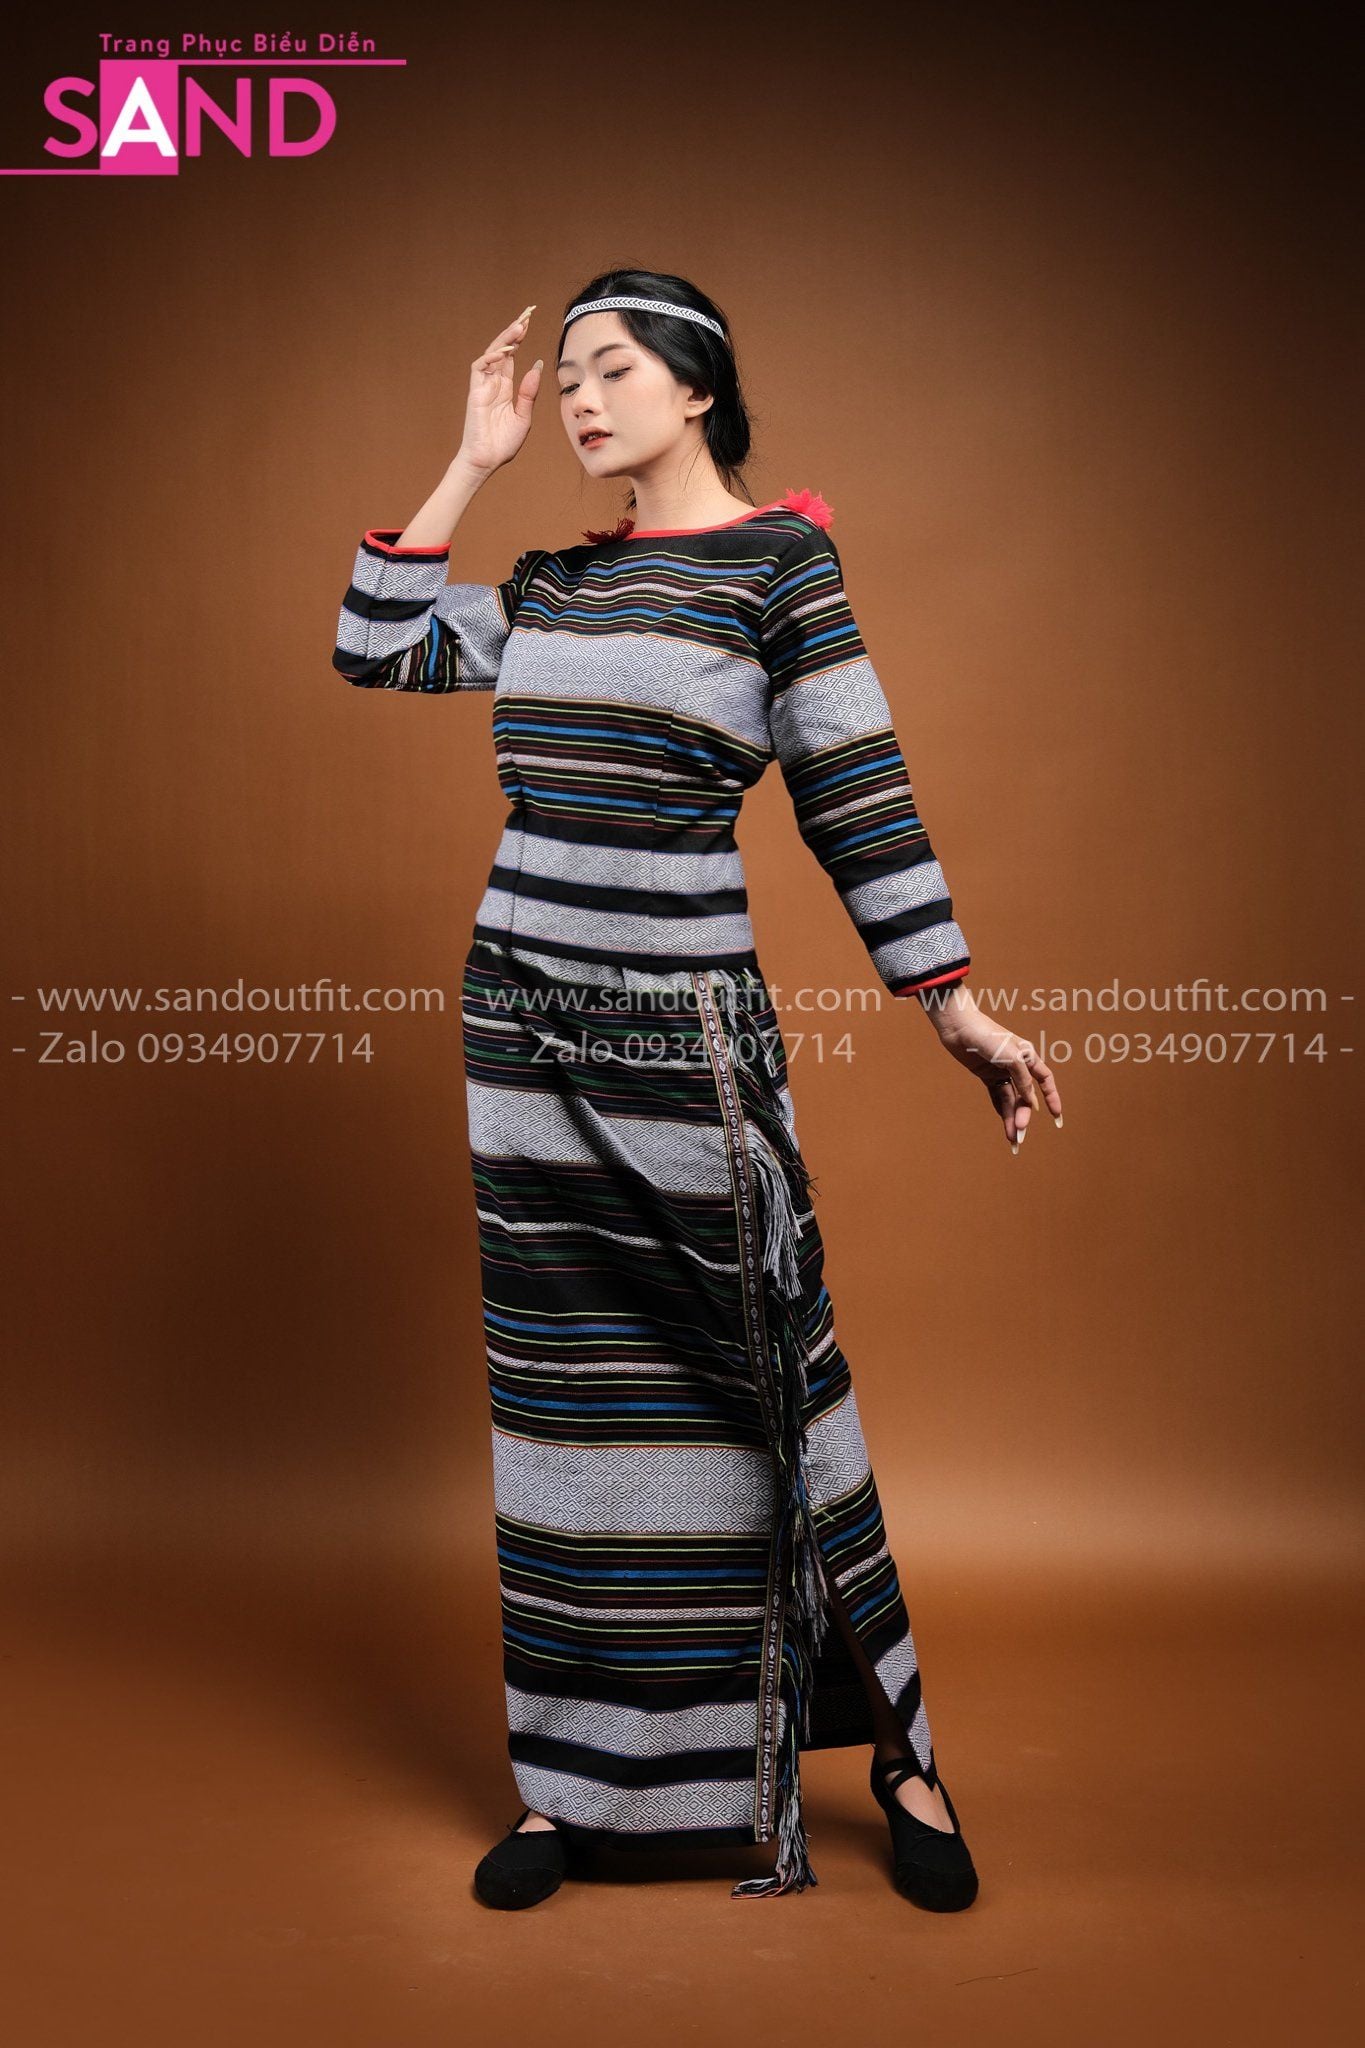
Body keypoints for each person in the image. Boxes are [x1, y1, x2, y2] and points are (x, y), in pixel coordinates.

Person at [332, 268, 1061, 1912]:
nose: (580, 401)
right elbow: (370, 649)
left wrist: (947, 1001)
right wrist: (467, 461)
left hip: (684, 1039)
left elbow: (858, 789)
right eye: (566, 377)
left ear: (697, 386)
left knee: (766, 1373)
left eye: (610, 368)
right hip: (519, 1030)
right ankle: (570, 1789)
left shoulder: (778, 569)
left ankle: (900, 1750)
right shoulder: (556, 585)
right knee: (569, 1404)